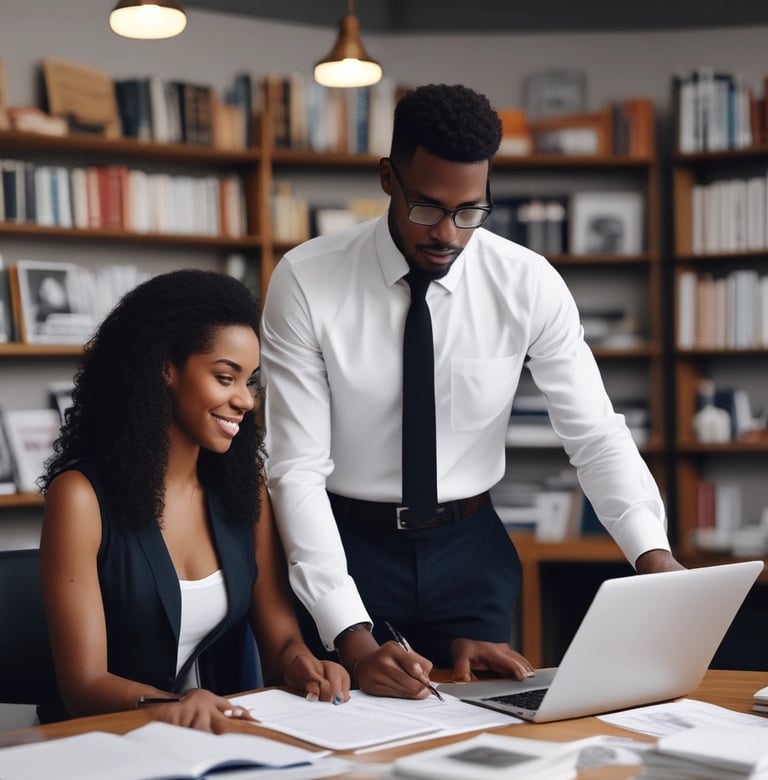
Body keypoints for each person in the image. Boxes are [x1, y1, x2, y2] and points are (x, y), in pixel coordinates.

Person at [260, 83, 684, 701]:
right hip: (348, 547)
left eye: (470, 211)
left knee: (480, 730)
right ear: (388, 178)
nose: (449, 235)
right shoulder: (305, 280)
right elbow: (294, 469)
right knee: (347, 740)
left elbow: (594, 434)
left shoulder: (527, 281)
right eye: (427, 208)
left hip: (471, 553)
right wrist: (351, 634)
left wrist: (654, 560)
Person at [38, 269, 349, 730]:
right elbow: (83, 686)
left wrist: (302, 661)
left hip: (213, 738)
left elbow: (280, 637)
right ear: (165, 367)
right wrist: (173, 705)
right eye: (226, 378)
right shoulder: (81, 498)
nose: (245, 400)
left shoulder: (244, 490)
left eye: (250, 382)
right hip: (106, 744)